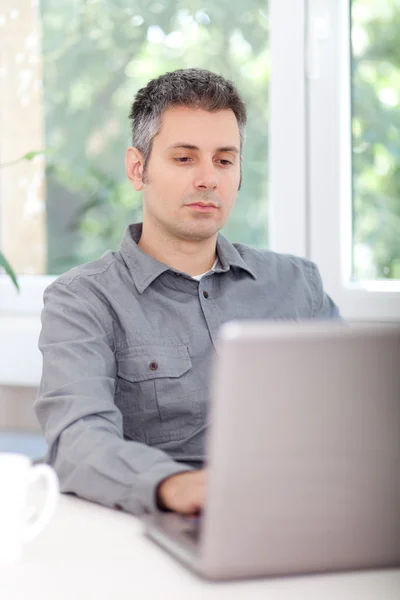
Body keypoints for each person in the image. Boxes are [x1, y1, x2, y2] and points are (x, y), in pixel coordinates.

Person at [34, 68, 343, 517]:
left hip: (297, 511)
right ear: (138, 169)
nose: (208, 179)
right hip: (158, 520)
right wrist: (178, 487)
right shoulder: (82, 300)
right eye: (184, 159)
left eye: (224, 160)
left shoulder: (298, 285)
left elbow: (357, 417)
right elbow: (78, 442)